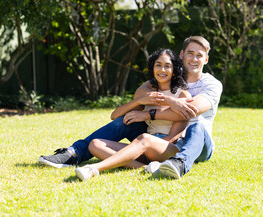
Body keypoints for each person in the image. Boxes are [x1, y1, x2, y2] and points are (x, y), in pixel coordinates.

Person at [38, 36, 222, 180]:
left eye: (199, 55)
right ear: (181, 55)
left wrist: (149, 113)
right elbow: (140, 94)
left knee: (195, 127)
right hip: (156, 138)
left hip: (192, 141)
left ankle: (179, 163)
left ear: (206, 59)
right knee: (122, 122)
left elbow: (189, 111)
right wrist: (141, 101)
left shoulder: (210, 84)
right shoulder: (168, 74)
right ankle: (74, 153)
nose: (194, 58)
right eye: (190, 53)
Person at [74, 48, 190, 180]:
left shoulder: (182, 95)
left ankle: (94, 168)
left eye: (167, 66)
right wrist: (139, 101)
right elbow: (115, 115)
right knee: (95, 144)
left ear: (174, 70)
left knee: (144, 138)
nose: (162, 70)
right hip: (145, 145)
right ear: (152, 68)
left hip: (170, 148)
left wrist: (145, 146)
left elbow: (173, 137)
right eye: (158, 65)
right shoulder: (147, 92)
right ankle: (145, 168)